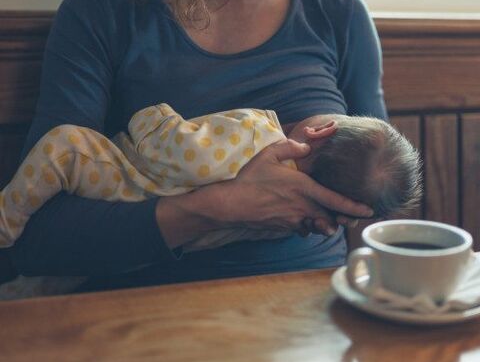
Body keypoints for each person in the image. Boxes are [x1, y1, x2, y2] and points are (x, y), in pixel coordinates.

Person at [8, 0, 388, 290]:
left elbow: (377, 192)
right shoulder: (100, 13)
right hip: (147, 316)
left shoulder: (338, 10)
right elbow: (39, 240)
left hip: (311, 310)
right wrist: (220, 208)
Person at [0, 104, 421, 252]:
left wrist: (154, 117)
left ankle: (5, 221)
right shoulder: (291, 222)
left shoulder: (258, 131)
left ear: (320, 129)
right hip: (159, 247)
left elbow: (174, 149)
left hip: (121, 179)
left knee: (64, 147)